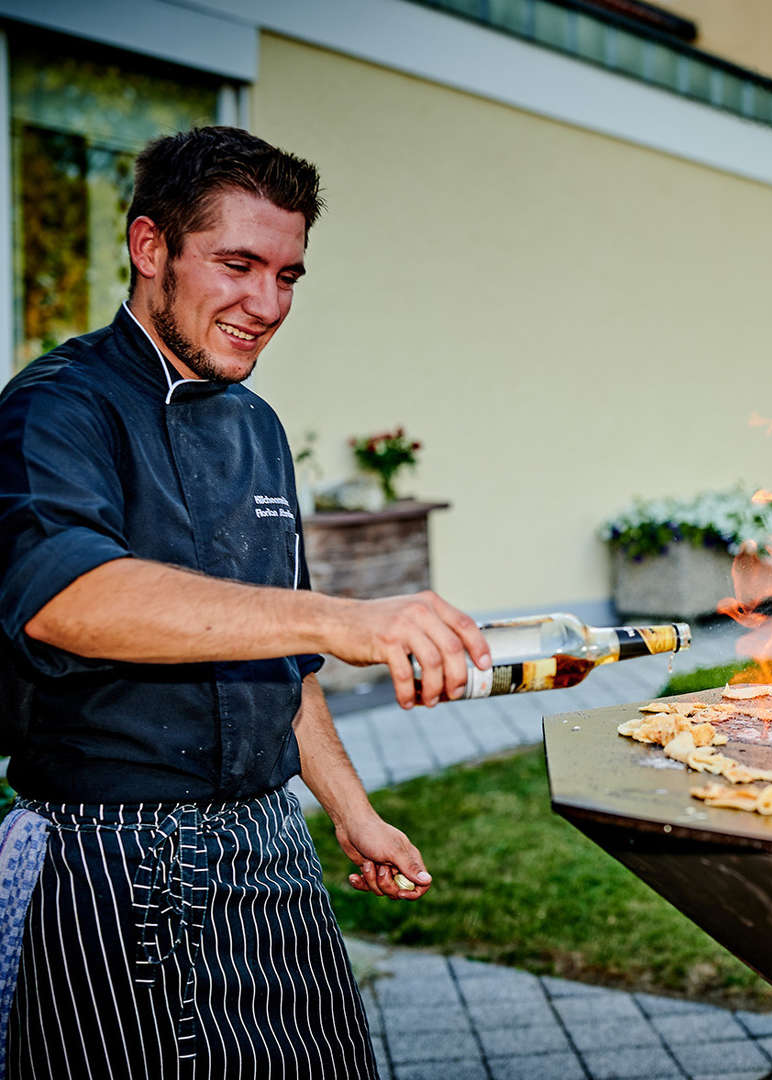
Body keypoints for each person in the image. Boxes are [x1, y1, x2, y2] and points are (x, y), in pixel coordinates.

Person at [0, 126, 489, 1078]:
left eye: (289, 275)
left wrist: (353, 814)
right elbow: (63, 595)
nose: (266, 304)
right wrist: (341, 616)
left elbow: (280, 660)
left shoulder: (259, 427)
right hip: (115, 857)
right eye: (237, 264)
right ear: (151, 249)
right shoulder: (57, 405)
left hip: (270, 844)